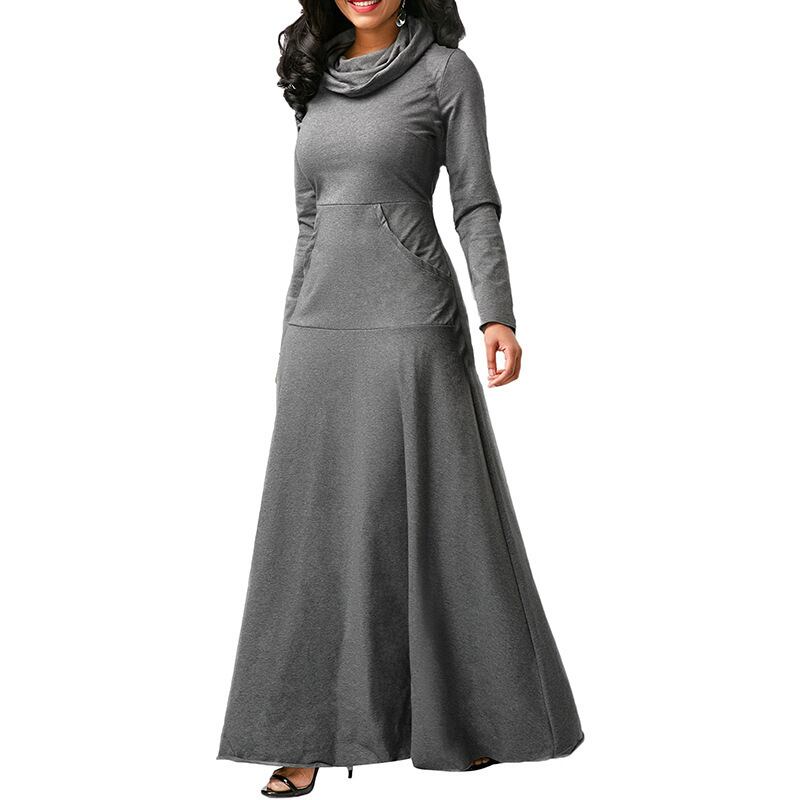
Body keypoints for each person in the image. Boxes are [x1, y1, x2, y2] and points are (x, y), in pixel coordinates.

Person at [218, 1, 584, 795]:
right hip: (320, 329)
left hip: (413, 318)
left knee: (442, 516)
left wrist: (496, 313)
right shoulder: (314, 79)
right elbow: (309, 219)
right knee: (311, 533)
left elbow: (474, 200)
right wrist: (290, 329)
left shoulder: (447, 73)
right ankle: (302, 733)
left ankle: (467, 719)